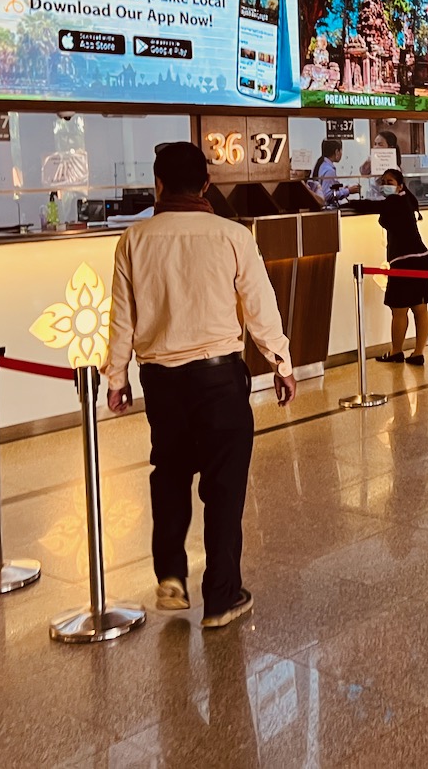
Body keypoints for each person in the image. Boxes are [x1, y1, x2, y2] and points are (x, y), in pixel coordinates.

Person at [105, 142, 296, 629]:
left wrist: (117, 375)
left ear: (158, 184)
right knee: (224, 486)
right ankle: (221, 596)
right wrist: (281, 361)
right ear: (207, 185)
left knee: (169, 473)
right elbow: (259, 303)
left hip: (162, 382)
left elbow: (121, 318)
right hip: (218, 378)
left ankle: (171, 573)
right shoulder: (231, 234)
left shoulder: (134, 239)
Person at [348, 168, 428, 366]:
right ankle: (418, 353)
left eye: (390, 181)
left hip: (404, 261)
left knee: (399, 310)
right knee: (420, 308)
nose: (385, 184)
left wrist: (348, 200)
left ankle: (396, 351)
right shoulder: (407, 200)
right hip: (421, 259)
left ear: (400, 185)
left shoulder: (395, 201)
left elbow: (369, 206)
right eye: (383, 181)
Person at [306, 138, 357, 208]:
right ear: (337, 152)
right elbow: (327, 195)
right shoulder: (329, 170)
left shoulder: (321, 164)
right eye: (341, 150)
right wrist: (348, 191)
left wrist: (343, 188)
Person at [360, 130, 402, 201]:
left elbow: (390, 191)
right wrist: (369, 160)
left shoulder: (395, 169)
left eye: (380, 144)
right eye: (375, 144)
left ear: (390, 147)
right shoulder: (373, 163)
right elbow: (363, 173)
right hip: (372, 201)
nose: (376, 147)